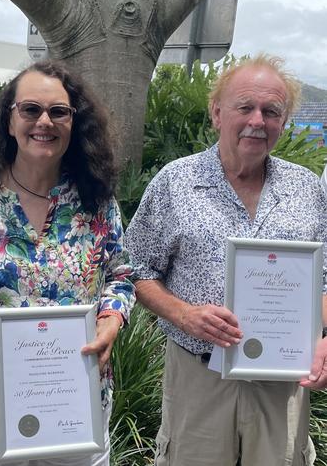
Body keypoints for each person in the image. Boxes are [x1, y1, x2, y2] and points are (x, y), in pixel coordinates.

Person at [125, 54, 327, 466]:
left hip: (283, 381)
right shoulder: (176, 182)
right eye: (245, 107)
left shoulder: (307, 188)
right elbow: (133, 268)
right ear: (217, 113)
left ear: (283, 122)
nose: (258, 120)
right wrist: (183, 314)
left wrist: (324, 339)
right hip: (200, 375)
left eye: (271, 111)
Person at [0, 60, 136, 465]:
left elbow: (121, 276)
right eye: (30, 109)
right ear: (9, 121)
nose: (44, 121)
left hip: (73, 403)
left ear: (73, 124)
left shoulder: (94, 201)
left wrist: (111, 320)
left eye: (58, 112)